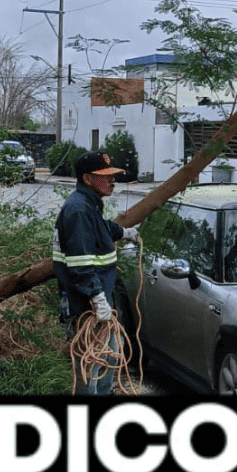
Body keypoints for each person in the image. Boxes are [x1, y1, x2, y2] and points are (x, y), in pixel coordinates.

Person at [52, 151, 134, 395]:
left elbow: (100, 228)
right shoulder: (78, 211)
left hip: (98, 305)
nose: (112, 181)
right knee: (91, 369)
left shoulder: (88, 206)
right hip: (85, 307)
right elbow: (81, 264)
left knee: (109, 360)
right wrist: (98, 299)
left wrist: (122, 232)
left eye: (112, 176)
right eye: (105, 176)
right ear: (87, 178)